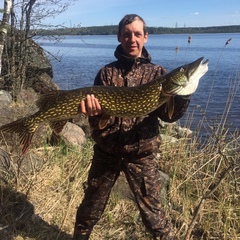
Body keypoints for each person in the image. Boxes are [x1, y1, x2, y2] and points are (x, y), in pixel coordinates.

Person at [74, 14, 190, 240]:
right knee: (88, 211)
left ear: (145, 37)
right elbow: (98, 122)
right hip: (106, 153)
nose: (132, 39)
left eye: (137, 34)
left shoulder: (157, 74)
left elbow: (169, 117)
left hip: (141, 155)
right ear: (119, 37)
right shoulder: (106, 73)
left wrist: (183, 96)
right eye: (127, 34)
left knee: (156, 220)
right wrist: (94, 114)